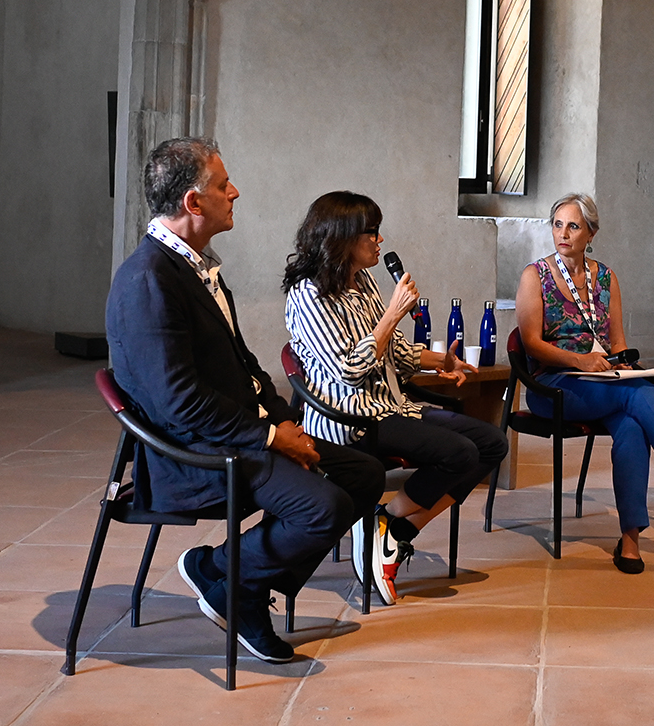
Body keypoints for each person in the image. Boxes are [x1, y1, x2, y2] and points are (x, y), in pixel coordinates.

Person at [105, 138, 384, 663]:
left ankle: (226, 576)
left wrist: (284, 421)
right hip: (189, 454)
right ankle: (240, 589)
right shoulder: (148, 280)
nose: (234, 192)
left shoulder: (195, 265)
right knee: (323, 507)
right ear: (193, 203)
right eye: (221, 185)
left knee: (363, 475)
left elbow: (246, 365)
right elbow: (179, 404)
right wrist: (272, 436)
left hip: (234, 433)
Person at [283, 191, 509, 605]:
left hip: (390, 407)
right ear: (342, 237)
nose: (379, 241)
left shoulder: (362, 281)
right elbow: (350, 372)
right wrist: (390, 315)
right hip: (349, 421)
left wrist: (441, 360)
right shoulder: (308, 295)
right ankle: (385, 529)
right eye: (371, 232)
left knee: (492, 443)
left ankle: (391, 526)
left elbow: (396, 350)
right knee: (458, 453)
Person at [516, 192, 654, 574]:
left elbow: (617, 342)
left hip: (603, 382)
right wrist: (580, 360)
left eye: (573, 226)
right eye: (558, 225)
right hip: (554, 385)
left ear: (591, 232)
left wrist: (627, 366)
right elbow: (531, 344)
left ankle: (631, 540)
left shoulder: (605, 277)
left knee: (633, 423)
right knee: (640, 396)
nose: (564, 233)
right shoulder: (533, 275)